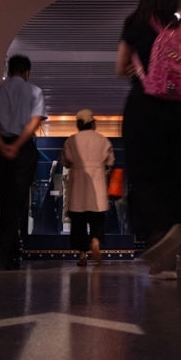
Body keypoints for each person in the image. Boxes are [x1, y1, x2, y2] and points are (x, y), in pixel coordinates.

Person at [116, 0, 181, 279]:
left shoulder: (135, 22)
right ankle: (170, 255)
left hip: (144, 107)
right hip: (179, 110)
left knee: (144, 177)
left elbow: (120, 66)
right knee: (172, 177)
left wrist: (140, 69)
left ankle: (156, 241)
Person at [0, 54, 48, 270]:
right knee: (18, 202)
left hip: (0, 149)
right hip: (24, 149)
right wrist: (17, 145)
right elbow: (34, 120)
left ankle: (7, 250)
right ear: (26, 72)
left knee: (4, 201)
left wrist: (2, 145)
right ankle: (7, 249)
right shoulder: (34, 91)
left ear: (9, 70)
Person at [61, 109, 115, 266]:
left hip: (78, 185)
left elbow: (65, 161)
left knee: (78, 223)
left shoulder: (71, 141)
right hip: (97, 185)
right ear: (93, 123)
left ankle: (82, 256)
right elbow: (110, 161)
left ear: (78, 124)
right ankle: (96, 241)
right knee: (97, 219)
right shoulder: (102, 140)